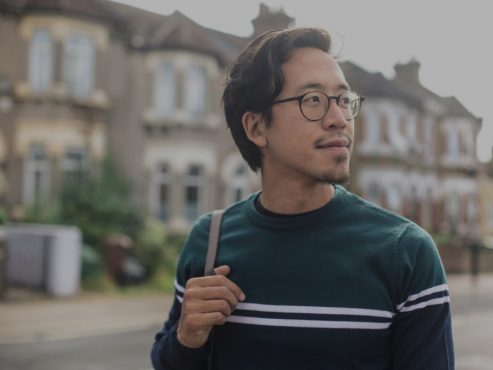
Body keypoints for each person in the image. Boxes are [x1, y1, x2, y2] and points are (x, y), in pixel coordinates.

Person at [151, 27, 454, 370]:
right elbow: (168, 363)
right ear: (256, 128)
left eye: (343, 100)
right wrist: (187, 336)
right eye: (313, 100)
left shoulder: (405, 252)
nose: (339, 120)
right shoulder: (210, 240)